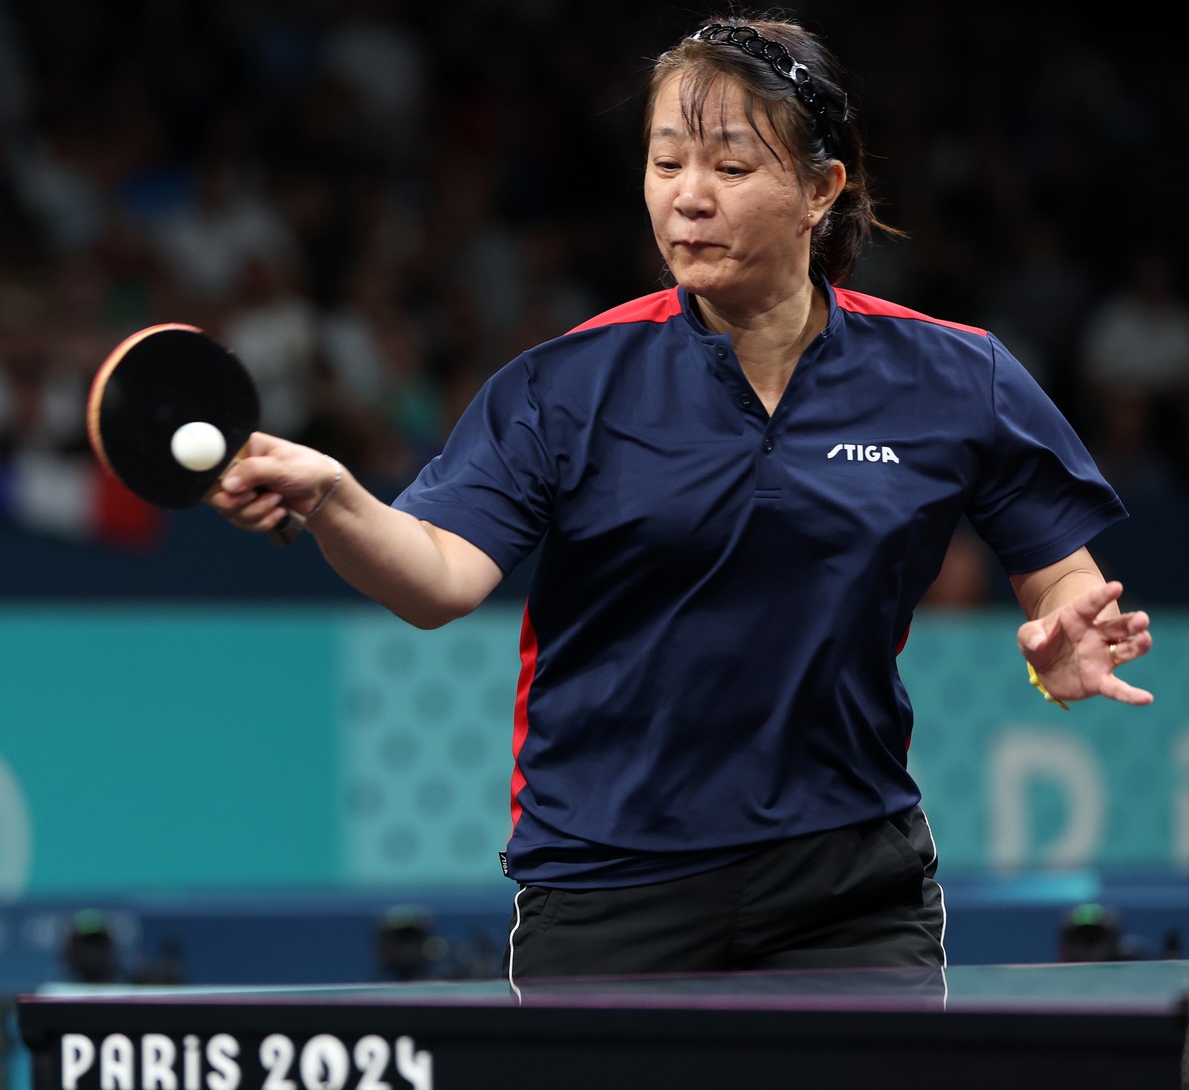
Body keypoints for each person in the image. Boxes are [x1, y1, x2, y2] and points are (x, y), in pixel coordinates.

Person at [208, 13, 1154, 984]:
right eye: (665, 165)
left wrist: (1060, 635)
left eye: (731, 170)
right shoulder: (568, 384)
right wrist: (334, 496)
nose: (687, 200)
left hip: (847, 893)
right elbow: (437, 579)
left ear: (818, 190)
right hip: (608, 892)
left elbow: (1061, 581)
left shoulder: (954, 378)